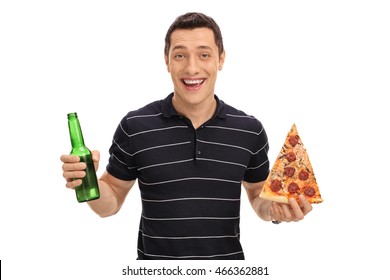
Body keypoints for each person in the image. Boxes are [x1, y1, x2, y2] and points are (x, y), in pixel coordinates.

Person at [61, 12, 312, 260]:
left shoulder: (249, 130)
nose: (192, 68)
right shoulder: (135, 126)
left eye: (204, 54)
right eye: (180, 55)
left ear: (220, 59)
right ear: (167, 61)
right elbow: (110, 203)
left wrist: (278, 210)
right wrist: (88, 181)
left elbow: (259, 198)